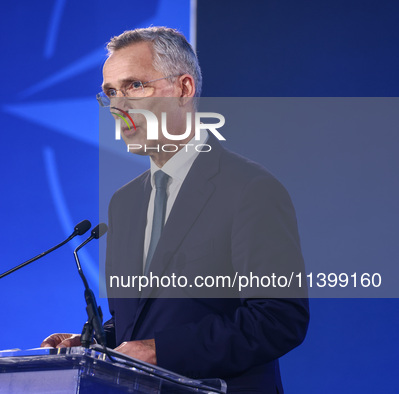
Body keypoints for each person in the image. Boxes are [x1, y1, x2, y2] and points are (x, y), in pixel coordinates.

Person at [42, 26, 309, 393]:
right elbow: (140, 321)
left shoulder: (249, 188)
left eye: (134, 85)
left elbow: (278, 318)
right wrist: (92, 345)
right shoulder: (125, 202)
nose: (118, 106)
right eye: (110, 93)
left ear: (184, 89)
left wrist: (160, 351)